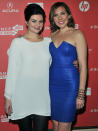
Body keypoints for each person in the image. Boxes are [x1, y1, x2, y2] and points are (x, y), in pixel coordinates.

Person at [4, 4, 51, 131]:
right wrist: (7, 97)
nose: (38, 24)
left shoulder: (48, 43)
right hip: (22, 96)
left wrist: (73, 61)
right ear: (26, 22)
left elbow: (57, 65)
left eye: (40, 21)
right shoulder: (18, 43)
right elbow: (12, 71)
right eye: (34, 21)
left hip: (42, 97)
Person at [49, 2, 87, 131]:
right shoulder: (51, 36)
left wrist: (81, 95)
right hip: (52, 85)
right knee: (55, 124)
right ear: (52, 19)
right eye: (56, 15)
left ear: (69, 15)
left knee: (64, 125)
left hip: (69, 85)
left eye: (62, 13)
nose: (60, 18)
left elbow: (83, 67)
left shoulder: (77, 34)